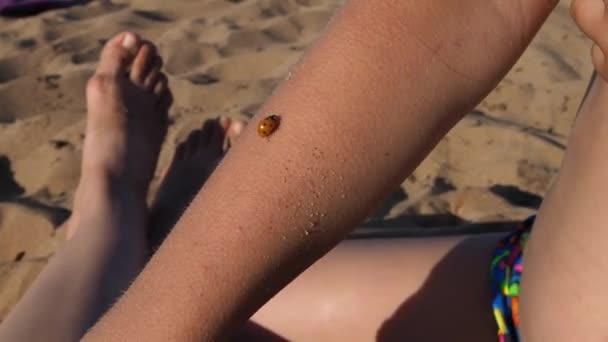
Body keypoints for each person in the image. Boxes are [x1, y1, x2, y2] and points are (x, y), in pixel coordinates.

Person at [0, 0, 606, 341]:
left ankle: (105, 217)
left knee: (104, 304)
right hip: (516, 298)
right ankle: (125, 226)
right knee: (179, 292)